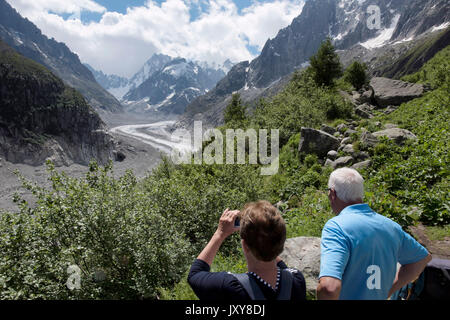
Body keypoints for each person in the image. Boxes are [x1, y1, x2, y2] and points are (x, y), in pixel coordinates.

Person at [317, 167, 432, 300]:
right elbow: (422, 258)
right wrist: (389, 291)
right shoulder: (391, 227)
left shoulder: (336, 227)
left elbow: (329, 288)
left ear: (332, 193)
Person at [188, 200, 306, 301]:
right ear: (281, 242)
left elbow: (195, 275)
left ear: (245, 246)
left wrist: (220, 233)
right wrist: (268, 236)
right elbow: (282, 266)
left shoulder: (229, 286)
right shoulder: (296, 280)